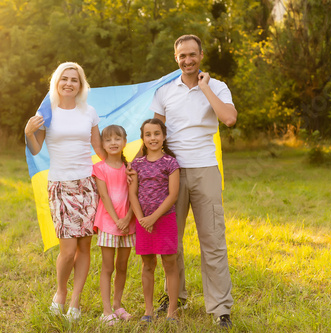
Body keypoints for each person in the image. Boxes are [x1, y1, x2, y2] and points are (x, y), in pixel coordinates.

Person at [151, 34, 237, 329]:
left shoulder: (218, 87)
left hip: (205, 170)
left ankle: (220, 307)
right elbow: (155, 134)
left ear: (201, 55)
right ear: (175, 58)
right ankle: (176, 295)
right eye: (182, 56)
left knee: (212, 240)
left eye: (192, 55)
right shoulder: (163, 92)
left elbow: (229, 119)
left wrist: (204, 88)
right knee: (170, 242)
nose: (187, 60)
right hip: (171, 172)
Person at [24, 62, 107, 321]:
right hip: (60, 185)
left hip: (87, 185)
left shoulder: (89, 111)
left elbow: (98, 146)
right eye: (64, 79)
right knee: (68, 250)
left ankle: (75, 301)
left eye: (74, 79)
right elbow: (36, 149)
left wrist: (120, 169)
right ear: (57, 83)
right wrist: (28, 132)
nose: (69, 83)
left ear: (81, 85)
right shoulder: (47, 112)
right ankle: (60, 292)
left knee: (85, 247)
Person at [129, 118, 180, 322]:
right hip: (144, 223)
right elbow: (132, 194)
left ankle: (172, 312)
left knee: (169, 264)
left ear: (164, 136)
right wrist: (142, 219)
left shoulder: (170, 163)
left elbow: (173, 195)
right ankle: (148, 310)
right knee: (147, 264)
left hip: (165, 220)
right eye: (148, 134)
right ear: (143, 138)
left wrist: (153, 217)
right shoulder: (137, 164)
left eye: (157, 134)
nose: (153, 138)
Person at [92, 125, 136, 326]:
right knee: (108, 266)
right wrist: (117, 219)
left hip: (128, 224)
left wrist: (127, 218)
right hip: (108, 223)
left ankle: (118, 305)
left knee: (122, 266)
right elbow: (104, 195)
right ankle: (107, 310)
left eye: (117, 139)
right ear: (103, 144)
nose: (113, 143)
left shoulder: (130, 168)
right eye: (108, 140)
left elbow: (134, 196)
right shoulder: (100, 168)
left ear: (124, 142)